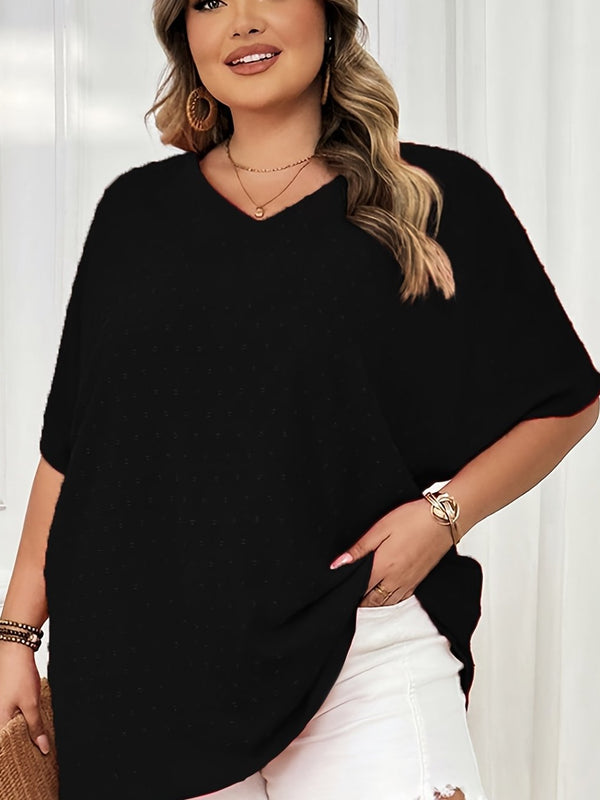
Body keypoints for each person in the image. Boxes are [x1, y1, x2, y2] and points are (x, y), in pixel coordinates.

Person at [0, 0, 599, 798]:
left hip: (362, 644)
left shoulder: (429, 196)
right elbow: (72, 444)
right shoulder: (133, 214)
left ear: (329, 15)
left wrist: (443, 516)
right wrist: (15, 633)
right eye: (209, 1)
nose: (242, 20)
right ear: (185, 34)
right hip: (141, 673)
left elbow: (564, 397)